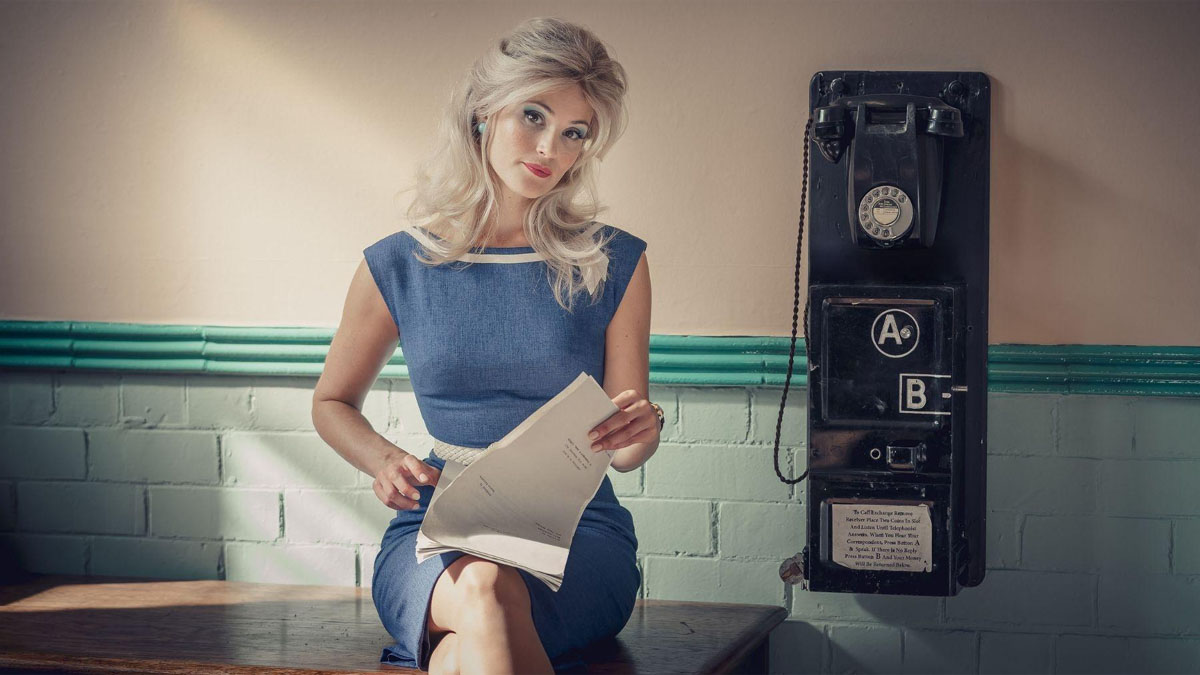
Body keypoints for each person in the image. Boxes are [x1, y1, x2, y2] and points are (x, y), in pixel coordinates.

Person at [311, 17, 662, 675]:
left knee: (470, 630)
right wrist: (383, 459)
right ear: (484, 114)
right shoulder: (398, 264)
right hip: (435, 527)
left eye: (574, 132)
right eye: (533, 116)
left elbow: (627, 451)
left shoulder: (614, 262)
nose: (549, 147)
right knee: (483, 585)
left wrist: (644, 425)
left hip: (579, 534)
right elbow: (331, 401)